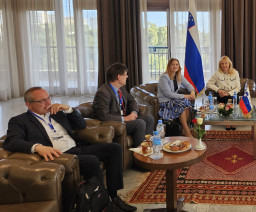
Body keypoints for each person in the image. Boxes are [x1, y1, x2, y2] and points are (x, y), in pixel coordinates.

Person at [4, 87, 136, 212]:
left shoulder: (56, 113)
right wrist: (38, 147)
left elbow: (81, 124)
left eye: (48, 98)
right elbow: (11, 141)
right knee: (92, 161)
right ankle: (104, 204)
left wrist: (68, 109)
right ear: (28, 104)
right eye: (42, 101)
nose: (47, 103)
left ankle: (114, 196)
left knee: (115, 148)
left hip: (77, 148)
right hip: (61, 156)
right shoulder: (19, 121)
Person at [92, 63, 155, 147]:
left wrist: (134, 112)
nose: (127, 76)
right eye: (125, 74)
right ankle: (140, 153)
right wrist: (125, 118)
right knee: (140, 123)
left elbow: (132, 101)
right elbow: (104, 116)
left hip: (124, 119)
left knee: (149, 118)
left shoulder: (121, 88)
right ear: (119, 77)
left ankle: (148, 147)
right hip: (114, 123)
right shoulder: (103, 93)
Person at [157, 58, 196, 138]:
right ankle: (187, 131)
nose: (175, 66)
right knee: (183, 103)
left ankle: (183, 130)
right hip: (166, 101)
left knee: (186, 103)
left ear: (179, 66)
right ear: (169, 66)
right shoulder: (164, 77)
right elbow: (168, 94)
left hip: (173, 100)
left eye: (177, 64)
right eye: (173, 64)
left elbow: (189, 85)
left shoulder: (178, 76)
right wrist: (186, 96)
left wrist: (192, 92)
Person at [206, 56, 241, 130]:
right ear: (220, 65)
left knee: (233, 99)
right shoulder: (217, 73)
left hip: (232, 94)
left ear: (229, 64)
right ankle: (227, 122)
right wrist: (219, 90)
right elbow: (209, 84)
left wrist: (229, 93)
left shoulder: (235, 72)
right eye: (222, 64)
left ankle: (233, 120)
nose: (224, 65)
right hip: (222, 95)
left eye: (226, 63)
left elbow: (238, 87)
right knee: (225, 99)